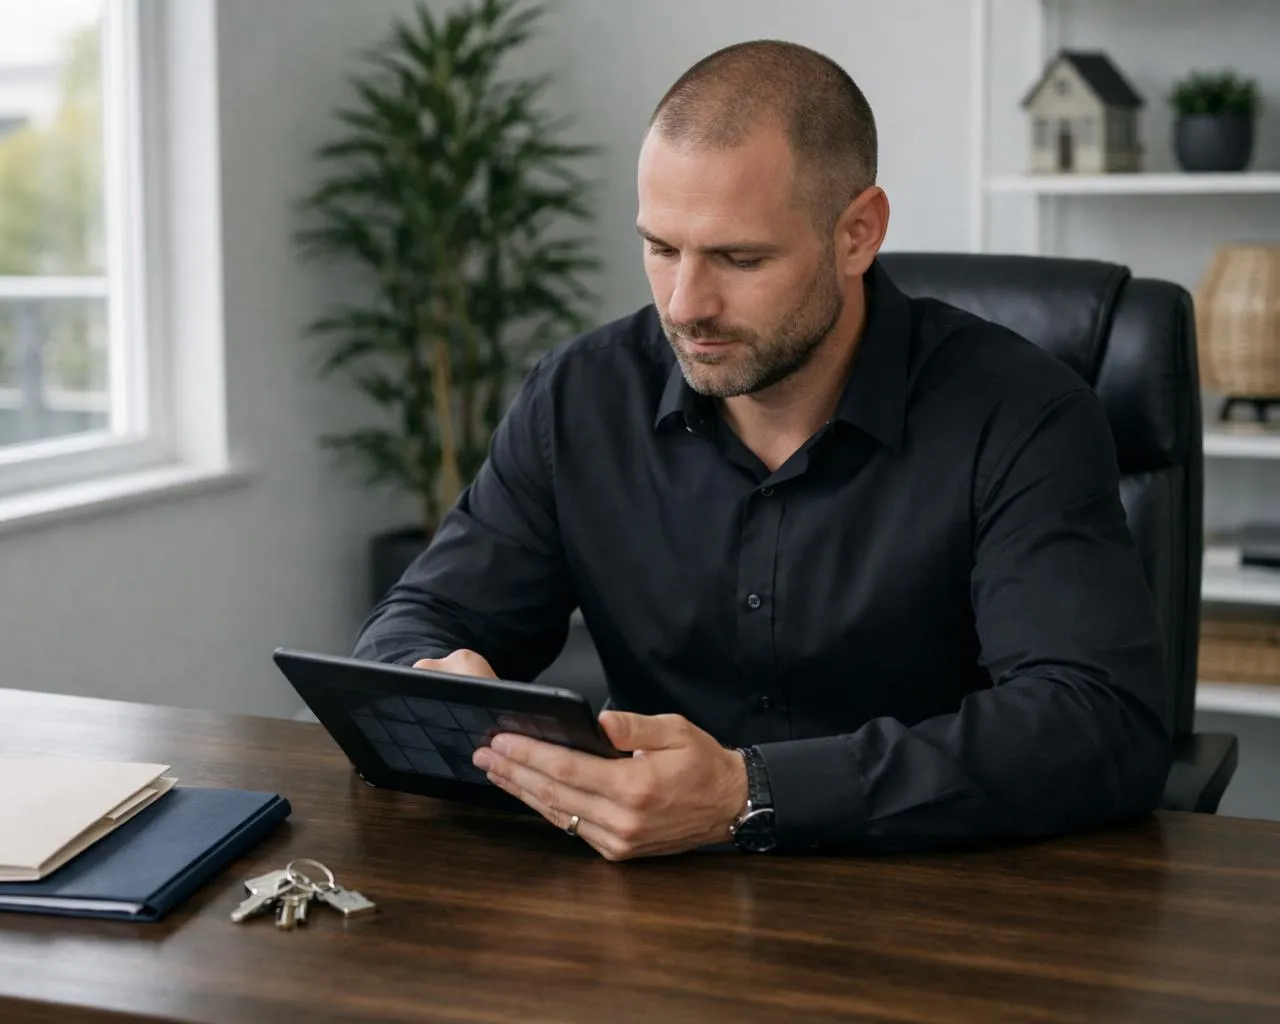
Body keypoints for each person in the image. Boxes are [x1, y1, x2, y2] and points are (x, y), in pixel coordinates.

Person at [351, 40, 1170, 860]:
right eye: (661, 248)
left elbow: (1097, 720)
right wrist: (432, 679)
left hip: (938, 899)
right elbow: (424, 617)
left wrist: (748, 794)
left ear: (857, 233)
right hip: (646, 907)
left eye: (739, 259)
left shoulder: (1021, 414)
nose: (685, 304)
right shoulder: (580, 397)